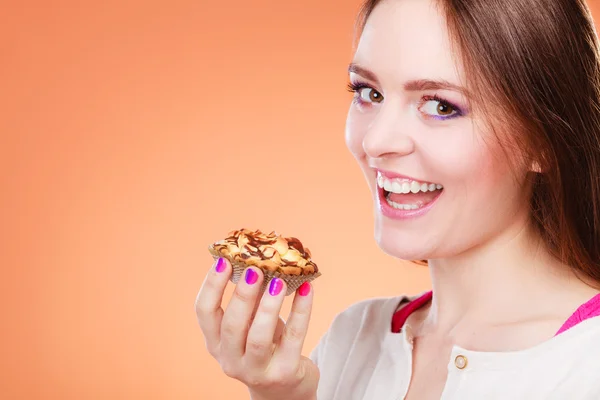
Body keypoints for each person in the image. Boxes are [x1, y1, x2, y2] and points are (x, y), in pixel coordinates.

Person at [195, 0, 600, 398]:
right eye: (368, 92)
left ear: (543, 139)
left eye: (441, 106)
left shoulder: (587, 364)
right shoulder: (352, 340)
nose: (376, 142)